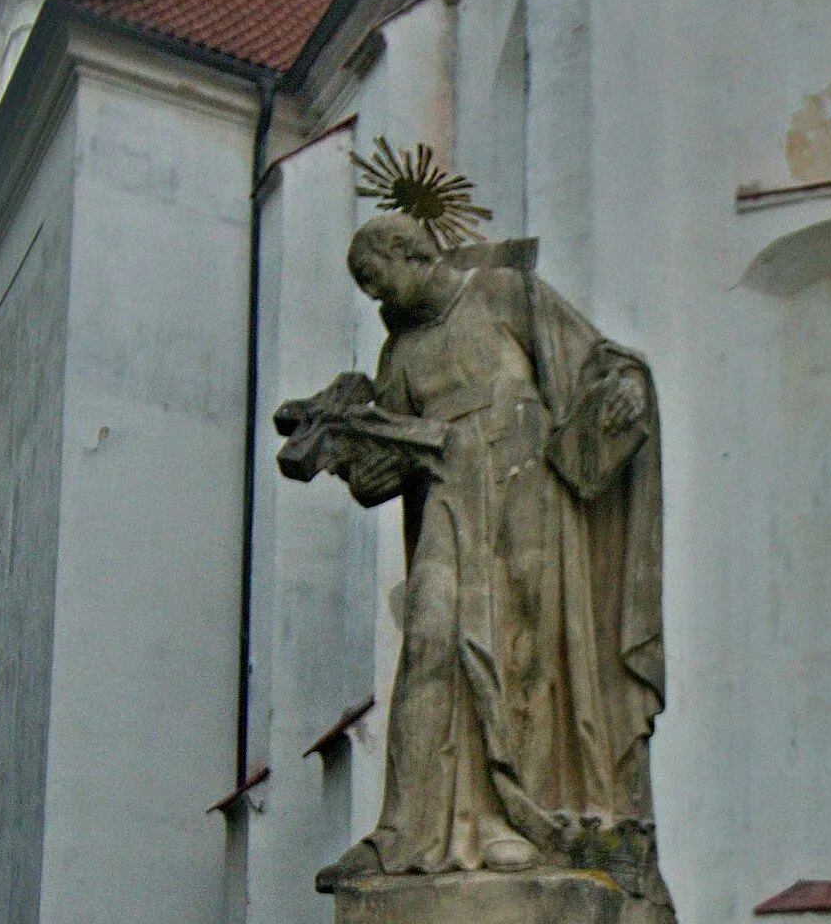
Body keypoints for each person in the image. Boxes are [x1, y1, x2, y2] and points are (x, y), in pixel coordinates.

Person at [275, 214, 664, 882]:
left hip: (531, 499)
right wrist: (352, 453)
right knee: (429, 637)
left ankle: (517, 822)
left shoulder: (507, 294)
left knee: (528, 658)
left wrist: (626, 386)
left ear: (407, 252)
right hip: (450, 505)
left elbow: (596, 361)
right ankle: (403, 831)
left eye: (376, 280)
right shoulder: (400, 353)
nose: (376, 298)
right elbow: (384, 478)